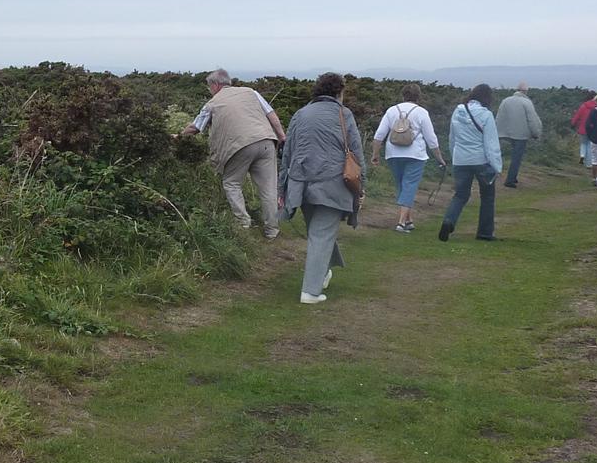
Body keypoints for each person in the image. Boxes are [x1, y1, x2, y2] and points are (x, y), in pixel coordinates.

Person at [277, 72, 366, 303]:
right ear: (339, 92)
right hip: (333, 183)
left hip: (301, 183)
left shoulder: (300, 113)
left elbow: (287, 153)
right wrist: (361, 187)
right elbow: (356, 152)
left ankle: (324, 272)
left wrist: (282, 189)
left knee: (318, 232)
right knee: (321, 234)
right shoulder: (344, 114)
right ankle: (310, 292)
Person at [175, 68, 286, 238]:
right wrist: (282, 137)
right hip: (266, 141)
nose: (210, 90)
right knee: (268, 188)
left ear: (215, 85)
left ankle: (243, 222)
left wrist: (178, 136)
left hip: (238, 146)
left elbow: (196, 127)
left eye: (209, 87)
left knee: (231, 183)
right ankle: (272, 230)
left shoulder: (212, 103)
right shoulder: (251, 92)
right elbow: (272, 115)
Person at [369, 83, 446, 233]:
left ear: (403, 95)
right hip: (415, 155)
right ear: (419, 96)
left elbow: (379, 135)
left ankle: (409, 220)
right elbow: (431, 139)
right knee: (410, 185)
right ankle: (401, 223)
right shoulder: (422, 112)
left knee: (401, 185)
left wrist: (375, 154)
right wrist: (439, 158)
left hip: (393, 154)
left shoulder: (392, 110)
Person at [439, 83, 501, 242]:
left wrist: (454, 156)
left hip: (460, 159)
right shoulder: (486, 115)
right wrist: (497, 166)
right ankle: (485, 233)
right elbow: (491, 143)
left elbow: (452, 138)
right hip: (481, 160)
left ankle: (449, 221)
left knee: (460, 195)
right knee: (487, 196)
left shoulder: (458, 111)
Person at [494, 80, 543, 188]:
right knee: (516, 157)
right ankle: (510, 179)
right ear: (525, 91)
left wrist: (496, 131)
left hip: (504, 133)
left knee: (499, 154)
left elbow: (499, 117)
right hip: (521, 134)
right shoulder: (526, 102)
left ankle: (498, 174)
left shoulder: (505, 100)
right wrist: (536, 133)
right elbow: (532, 120)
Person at [572, 91, 597, 186]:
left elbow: (577, 115)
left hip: (583, 128)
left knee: (583, 143)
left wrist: (573, 123)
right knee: (591, 146)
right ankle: (589, 163)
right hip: (594, 130)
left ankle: (582, 155)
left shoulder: (584, 106)